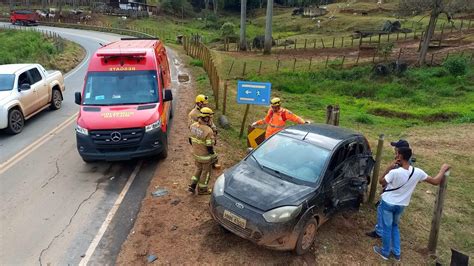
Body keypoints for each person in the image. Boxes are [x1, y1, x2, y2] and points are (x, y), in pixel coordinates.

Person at [372, 147, 450, 261]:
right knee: (395, 226)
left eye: (397, 154)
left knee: (387, 228)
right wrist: (443, 170)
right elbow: (435, 181)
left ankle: (385, 252)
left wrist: (389, 167)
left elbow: (381, 181)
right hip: (401, 205)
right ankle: (396, 253)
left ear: (400, 156)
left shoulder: (394, 172)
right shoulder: (418, 172)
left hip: (388, 203)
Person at [366, 139, 411, 239]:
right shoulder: (408, 163)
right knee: (394, 219)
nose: (394, 150)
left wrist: (389, 168)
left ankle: (380, 232)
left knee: (382, 210)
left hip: (391, 197)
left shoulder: (398, 165)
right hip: (401, 198)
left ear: (401, 152)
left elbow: (382, 181)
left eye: (396, 148)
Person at [188, 107, 217, 195]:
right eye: (210, 117)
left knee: (198, 169)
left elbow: (190, 139)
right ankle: (202, 189)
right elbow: (209, 146)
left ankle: (192, 185)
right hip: (205, 157)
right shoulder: (208, 131)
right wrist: (213, 154)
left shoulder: (193, 126)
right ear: (206, 118)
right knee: (206, 172)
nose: (211, 119)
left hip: (196, 154)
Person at [189, 94, 220, 169]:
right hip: (200, 136)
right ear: (199, 103)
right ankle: (201, 165)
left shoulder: (206, 111)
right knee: (202, 151)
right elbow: (191, 126)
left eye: (206, 104)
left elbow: (211, 122)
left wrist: (214, 130)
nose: (206, 105)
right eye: (204, 104)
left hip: (209, 134)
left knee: (211, 148)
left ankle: (213, 164)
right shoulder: (193, 114)